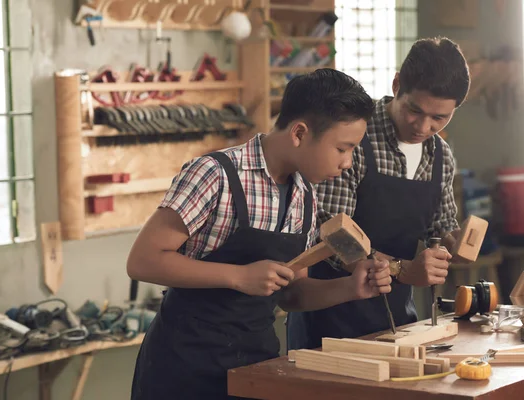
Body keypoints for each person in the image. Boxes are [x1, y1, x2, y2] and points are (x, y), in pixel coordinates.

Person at [127, 68, 391, 400]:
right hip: (184, 370)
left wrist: (350, 288)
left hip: (254, 366)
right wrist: (238, 276)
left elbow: (291, 294)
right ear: (299, 133)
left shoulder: (304, 195)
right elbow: (143, 261)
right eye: (343, 148)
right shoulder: (215, 175)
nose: (348, 162)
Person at [287, 37, 471, 350]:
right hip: (329, 320)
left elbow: (440, 226)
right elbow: (329, 235)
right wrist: (404, 269)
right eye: (415, 110)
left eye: (439, 118)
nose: (423, 127)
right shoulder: (353, 138)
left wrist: (451, 243)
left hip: (397, 321)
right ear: (397, 84)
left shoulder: (441, 156)